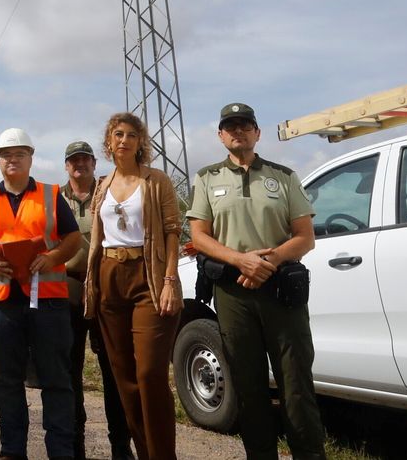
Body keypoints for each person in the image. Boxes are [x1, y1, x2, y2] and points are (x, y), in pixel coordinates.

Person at [187, 103, 325, 460]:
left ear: (257, 133)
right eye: (230, 126)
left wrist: (270, 260)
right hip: (233, 293)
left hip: (280, 292)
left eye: (245, 125)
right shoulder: (207, 178)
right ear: (220, 136)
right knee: (248, 387)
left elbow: (305, 237)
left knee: (296, 386)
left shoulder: (284, 176)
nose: (238, 131)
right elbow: (199, 236)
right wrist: (240, 260)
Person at [0, 127, 83, 460]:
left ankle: (61, 451)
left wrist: (52, 258)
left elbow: (73, 238)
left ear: (30, 158)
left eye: (19, 154)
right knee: (7, 379)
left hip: (48, 299)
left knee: (56, 379)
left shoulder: (50, 194)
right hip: (2, 301)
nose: (12, 160)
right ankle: (12, 450)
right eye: (6, 155)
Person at [85, 113, 182, 460]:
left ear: (141, 142)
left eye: (130, 135)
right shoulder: (102, 185)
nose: (123, 140)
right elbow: (97, 235)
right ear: (108, 142)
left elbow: (173, 231)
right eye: (117, 134)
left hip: (149, 277)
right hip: (109, 278)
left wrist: (169, 280)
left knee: (150, 373)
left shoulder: (156, 180)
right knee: (124, 380)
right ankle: (144, 453)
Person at [61, 139, 136, 460]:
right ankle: (74, 444)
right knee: (70, 371)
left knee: (114, 370)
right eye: (74, 160)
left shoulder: (110, 193)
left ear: (94, 163)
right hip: (68, 289)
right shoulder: (55, 198)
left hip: (106, 287)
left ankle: (120, 445)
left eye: (85, 159)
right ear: (66, 166)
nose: (80, 165)